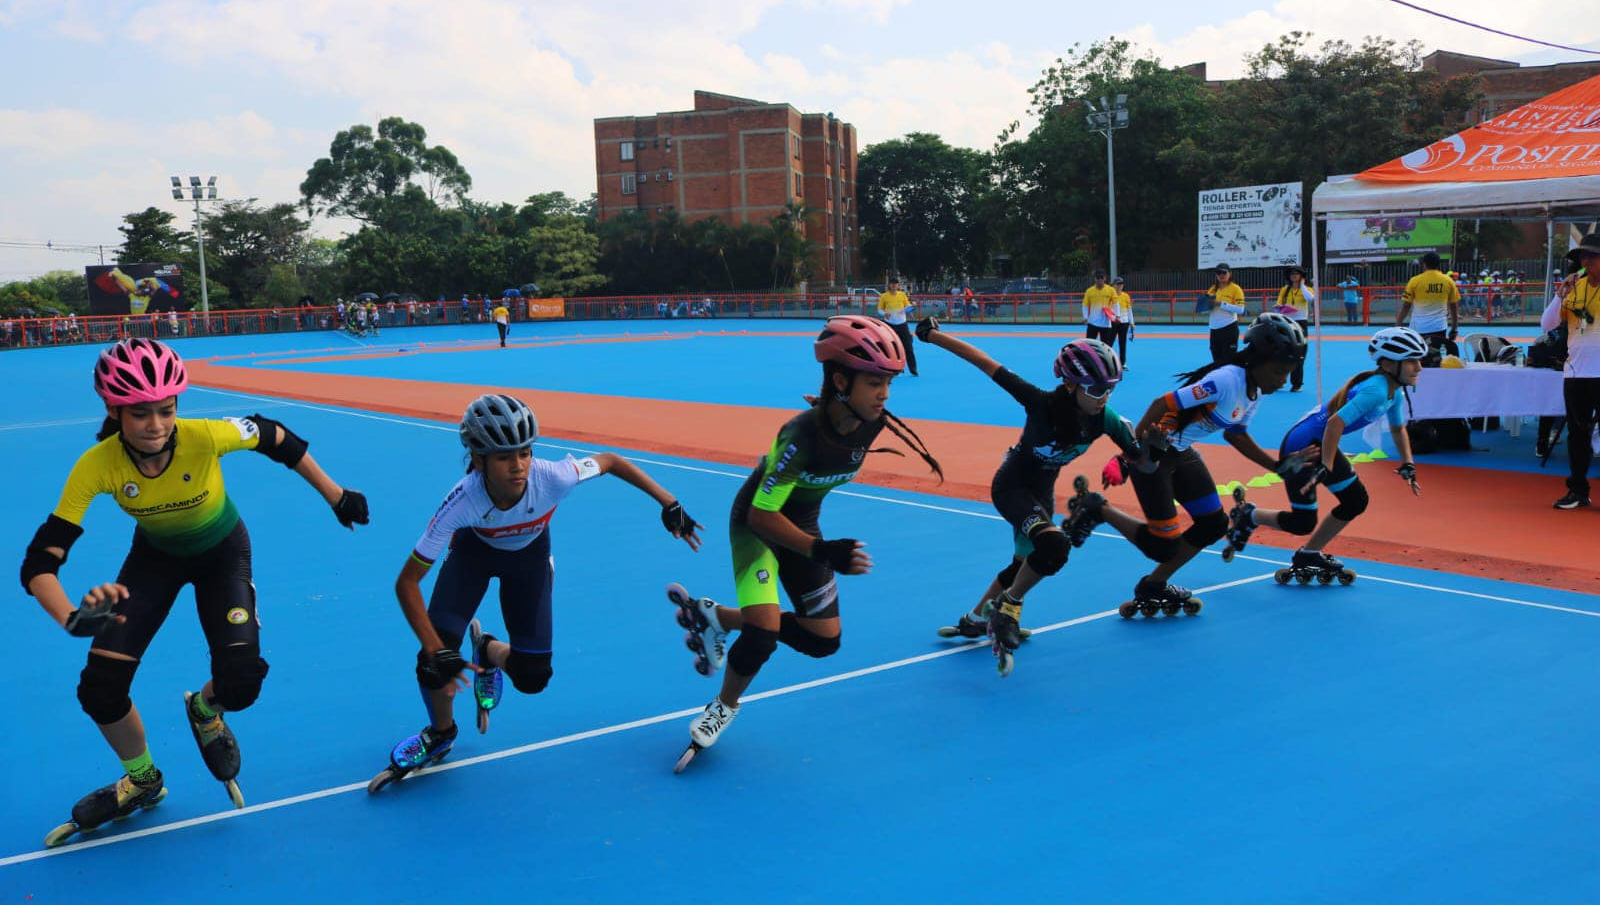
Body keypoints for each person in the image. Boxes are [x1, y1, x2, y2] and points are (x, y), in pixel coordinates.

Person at [24, 339, 368, 842]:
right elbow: (38, 564)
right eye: (140, 414)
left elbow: (278, 438)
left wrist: (337, 495)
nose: (157, 425)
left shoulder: (206, 436)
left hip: (222, 554)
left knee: (241, 684)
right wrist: (74, 618)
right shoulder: (97, 466)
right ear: (113, 409)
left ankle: (204, 709)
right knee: (99, 688)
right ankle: (143, 780)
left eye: (166, 410)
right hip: (153, 562)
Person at [373, 394, 703, 786]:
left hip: (528, 560)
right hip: (472, 558)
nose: (518, 466)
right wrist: (435, 649)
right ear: (478, 460)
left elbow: (611, 461)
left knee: (533, 678)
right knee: (434, 662)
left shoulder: (553, 476)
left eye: (525, 452)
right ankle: (441, 734)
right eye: (503, 457)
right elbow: (406, 582)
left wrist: (668, 502)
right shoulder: (462, 501)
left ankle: (488, 650)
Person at [665, 316, 942, 762]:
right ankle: (723, 707)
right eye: (874, 382)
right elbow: (762, 512)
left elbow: (832, 437)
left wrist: (816, 544)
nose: (885, 394)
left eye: (887, 382)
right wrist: (822, 550)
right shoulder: (797, 436)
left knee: (823, 641)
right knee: (763, 636)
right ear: (841, 379)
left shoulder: (872, 422)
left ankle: (715, 618)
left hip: (803, 524)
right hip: (757, 525)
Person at [917, 320, 1137, 673]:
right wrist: (931, 335)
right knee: (1054, 547)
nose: (1104, 398)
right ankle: (1007, 608)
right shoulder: (1040, 402)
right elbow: (984, 362)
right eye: (1096, 390)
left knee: (1024, 565)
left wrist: (1125, 462)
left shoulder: (1105, 419)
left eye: (1110, 389)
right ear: (1070, 383)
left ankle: (975, 619)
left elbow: (1139, 452)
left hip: (1041, 494)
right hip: (1012, 487)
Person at [1083, 313, 1309, 615]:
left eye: (1289, 372)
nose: (1283, 380)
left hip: (1182, 452)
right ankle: (1098, 508)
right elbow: (1161, 403)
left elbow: (1236, 434)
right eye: (1280, 371)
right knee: (1162, 544)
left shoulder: (1254, 392)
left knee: (1213, 524)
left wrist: (1277, 466)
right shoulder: (1226, 380)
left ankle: (1154, 585)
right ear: (1258, 361)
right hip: (1154, 455)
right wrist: (1131, 455)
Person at [1225, 327, 1424, 581]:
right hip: (1303, 447)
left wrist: (1408, 462)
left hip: (1321, 445)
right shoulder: (1375, 390)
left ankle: (1310, 553)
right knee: (1302, 522)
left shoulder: (1393, 392)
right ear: (1388, 363)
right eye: (1411, 361)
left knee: (1355, 501)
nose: (1418, 367)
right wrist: (1327, 464)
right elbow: (1335, 423)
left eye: (1419, 360)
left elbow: (1398, 429)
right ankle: (1249, 515)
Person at [1544, 233, 1600, 509]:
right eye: (1582, 257)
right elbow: (1547, 324)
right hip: (1577, 374)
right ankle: (1578, 490)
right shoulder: (1573, 289)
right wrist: (1559, 295)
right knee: (1578, 435)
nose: (1585, 262)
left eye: (1591, 256)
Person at [1397, 252, 1460, 353]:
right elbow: (1453, 306)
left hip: (1418, 327)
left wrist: (1398, 325)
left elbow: (1406, 306)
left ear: (1424, 264)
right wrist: (1454, 328)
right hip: (1439, 327)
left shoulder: (1415, 281)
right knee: (1435, 356)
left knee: (1417, 356)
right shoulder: (1448, 281)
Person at [1275, 266, 1315, 391]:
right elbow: (1279, 304)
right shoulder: (1284, 289)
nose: (1294, 276)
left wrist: (1302, 286)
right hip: (1286, 321)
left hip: (1300, 323)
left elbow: (1311, 299)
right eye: (1292, 274)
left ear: (1302, 276)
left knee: (1299, 353)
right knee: (1283, 353)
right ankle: (1279, 381)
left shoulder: (1307, 289)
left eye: (1297, 274)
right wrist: (1279, 307)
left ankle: (1297, 384)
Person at [1205, 264, 1248, 363]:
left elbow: (1241, 309)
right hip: (1214, 329)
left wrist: (1221, 304)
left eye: (1224, 272)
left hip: (1229, 328)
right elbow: (1206, 309)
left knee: (1229, 361)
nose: (1221, 275)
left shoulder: (1236, 289)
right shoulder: (1212, 289)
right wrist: (1203, 307)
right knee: (1216, 361)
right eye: (1219, 273)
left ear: (1230, 274)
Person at [876, 277, 917, 376]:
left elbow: (907, 307)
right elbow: (879, 309)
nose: (894, 285)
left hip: (902, 324)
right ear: (889, 285)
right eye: (892, 284)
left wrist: (912, 307)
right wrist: (884, 313)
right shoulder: (884, 296)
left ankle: (913, 369)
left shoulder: (902, 295)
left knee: (908, 347)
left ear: (898, 285)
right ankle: (894, 369)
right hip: (889, 325)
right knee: (891, 348)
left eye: (896, 284)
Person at [1082, 270, 1117, 343]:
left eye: (1101, 277)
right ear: (1095, 279)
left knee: (1106, 347)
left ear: (1105, 278)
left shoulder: (1111, 290)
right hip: (1092, 323)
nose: (1100, 279)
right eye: (1098, 277)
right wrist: (1085, 317)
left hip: (1106, 324)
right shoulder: (1089, 291)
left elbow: (1116, 303)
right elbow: (1085, 305)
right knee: (1090, 345)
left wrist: (1118, 316)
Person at [1111, 276, 1134, 369]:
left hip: (1124, 322)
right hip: (1113, 322)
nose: (1120, 286)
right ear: (1114, 285)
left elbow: (1129, 310)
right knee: (1109, 342)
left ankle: (1122, 363)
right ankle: (1107, 361)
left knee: (1122, 343)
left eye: (1121, 284)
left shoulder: (1126, 296)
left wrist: (1132, 322)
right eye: (1118, 284)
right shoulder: (1111, 296)